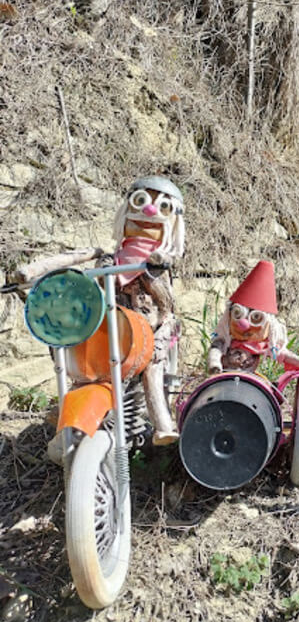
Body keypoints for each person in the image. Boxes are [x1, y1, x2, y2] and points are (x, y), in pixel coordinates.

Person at [112, 175, 185, 444]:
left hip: (152, 328)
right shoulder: (114, 259)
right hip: (117, 325)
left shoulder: (158, 262)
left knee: (152, 368)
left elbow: (165, 303)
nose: (150, 210)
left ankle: (162, 425)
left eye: (163, 207)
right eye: (140, 201)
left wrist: (152, 273)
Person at [207, 260, 299, 375]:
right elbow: (216, 350)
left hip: (247, 378)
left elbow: (282, 354)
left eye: (256, 318)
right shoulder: (227, 342)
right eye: (237, 314)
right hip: (223, 375)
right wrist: (215, 363)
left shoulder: (259, 346)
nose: (244, 324)